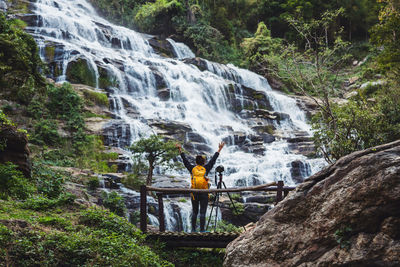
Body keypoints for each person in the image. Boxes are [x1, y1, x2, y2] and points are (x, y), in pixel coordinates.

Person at [176, 142, 225, 232]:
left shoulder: (192, 169)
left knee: (194, 212)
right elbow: (213, 159)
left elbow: (185, 161)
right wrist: (219, 149)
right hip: (204, 193)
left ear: (196, 162)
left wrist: (180, 149)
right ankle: (202, 230)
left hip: (194, 193)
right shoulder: (206, 168)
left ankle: (193, 230)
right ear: (204, 162)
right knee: (202, 212)